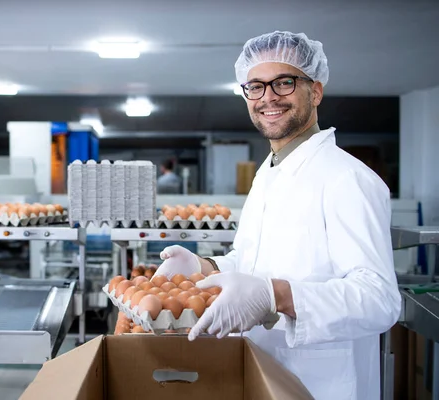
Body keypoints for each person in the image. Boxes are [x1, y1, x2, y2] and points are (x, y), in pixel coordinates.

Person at [153, 31, 401, 400]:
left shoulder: (347, 179)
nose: (268, 97)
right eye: (255, 86)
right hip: (261, 369)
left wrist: (276, 296)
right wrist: (205, 267)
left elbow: (380, 300)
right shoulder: (269, 172)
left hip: (323, 382)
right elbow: (252, 259)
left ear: (314, 91)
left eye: (283, 83)